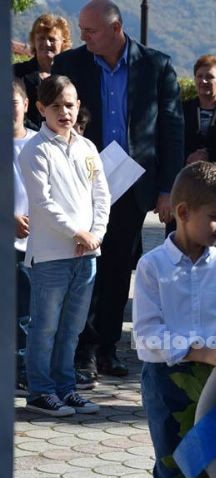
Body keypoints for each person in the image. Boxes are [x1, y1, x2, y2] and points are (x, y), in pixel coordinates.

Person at [52, 0, 185, 379]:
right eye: (82, 30)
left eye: (90, 31)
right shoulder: (69, 64)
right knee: (83, 264)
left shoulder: (156, 66)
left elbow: (172, 129)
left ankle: (106, 348)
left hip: (131, 185)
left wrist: (168, 188)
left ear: (115, 29)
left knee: (117, 267)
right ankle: (81, 349)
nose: (83, 37)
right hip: (82, 183)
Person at [133, 162, 216, 478]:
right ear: (182, 212)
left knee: (212, 472)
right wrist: (200, 352)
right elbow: (147, 334)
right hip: (166, 381)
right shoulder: (152, 266)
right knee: (172, 472)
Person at [19, 75, 111, 417]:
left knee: (72, 328)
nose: (64, 112)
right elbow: (43, 203)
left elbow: (102, 195)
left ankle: (65, 388)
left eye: (70, 105)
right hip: (50, 255)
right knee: (45, 327)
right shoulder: (35, 149)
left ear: (78, 106)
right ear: (41, 108)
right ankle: (40, 391)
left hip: (87, 254)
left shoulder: (87, 147)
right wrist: (78, 232)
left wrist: (95, 233)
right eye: (55, 106)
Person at [12, 80, 38, 396]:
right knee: (19, 313)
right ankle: (19, 369)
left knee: (32, 313)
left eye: (13, 103)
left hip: (39, 242)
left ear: (27, 104)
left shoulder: (39, 143)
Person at [14, 13, 72, 128]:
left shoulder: (72, 75)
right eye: (41, 38)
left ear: (63, 43)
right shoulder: (17, 73)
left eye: (52, 39)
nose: (46, 43)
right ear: (34, 41)